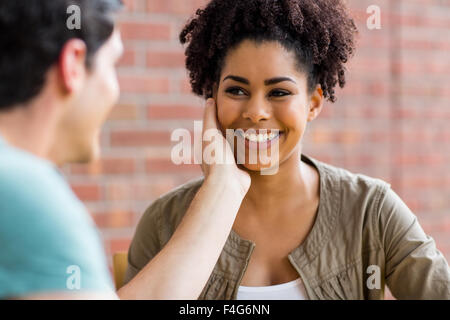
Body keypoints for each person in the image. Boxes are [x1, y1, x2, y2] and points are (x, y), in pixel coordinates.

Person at [124, 0, 450, 299]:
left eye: (278, 92)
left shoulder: (371, 211)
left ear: (313, 103)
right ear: (213, 101)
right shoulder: (165, 222)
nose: (256, 112)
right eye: (236, 90)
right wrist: (222, 187)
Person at [0, 0, 249, 300]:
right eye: (113, 63)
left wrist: (226, 185)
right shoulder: (26, 195)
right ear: (73, 64)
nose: (115, 89)